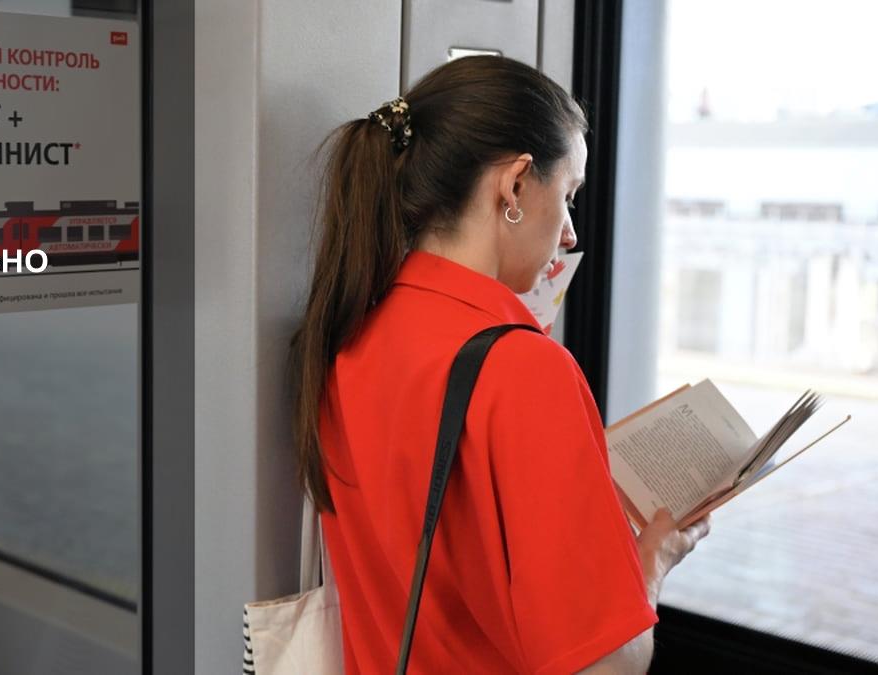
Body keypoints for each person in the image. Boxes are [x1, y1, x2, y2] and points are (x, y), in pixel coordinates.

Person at [289, 55, 711, 674]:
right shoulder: (525, 370)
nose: (569, 233)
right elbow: (607, 665)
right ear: (514, 187)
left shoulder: (348, 331)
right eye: (568, 196)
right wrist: (651, 564)